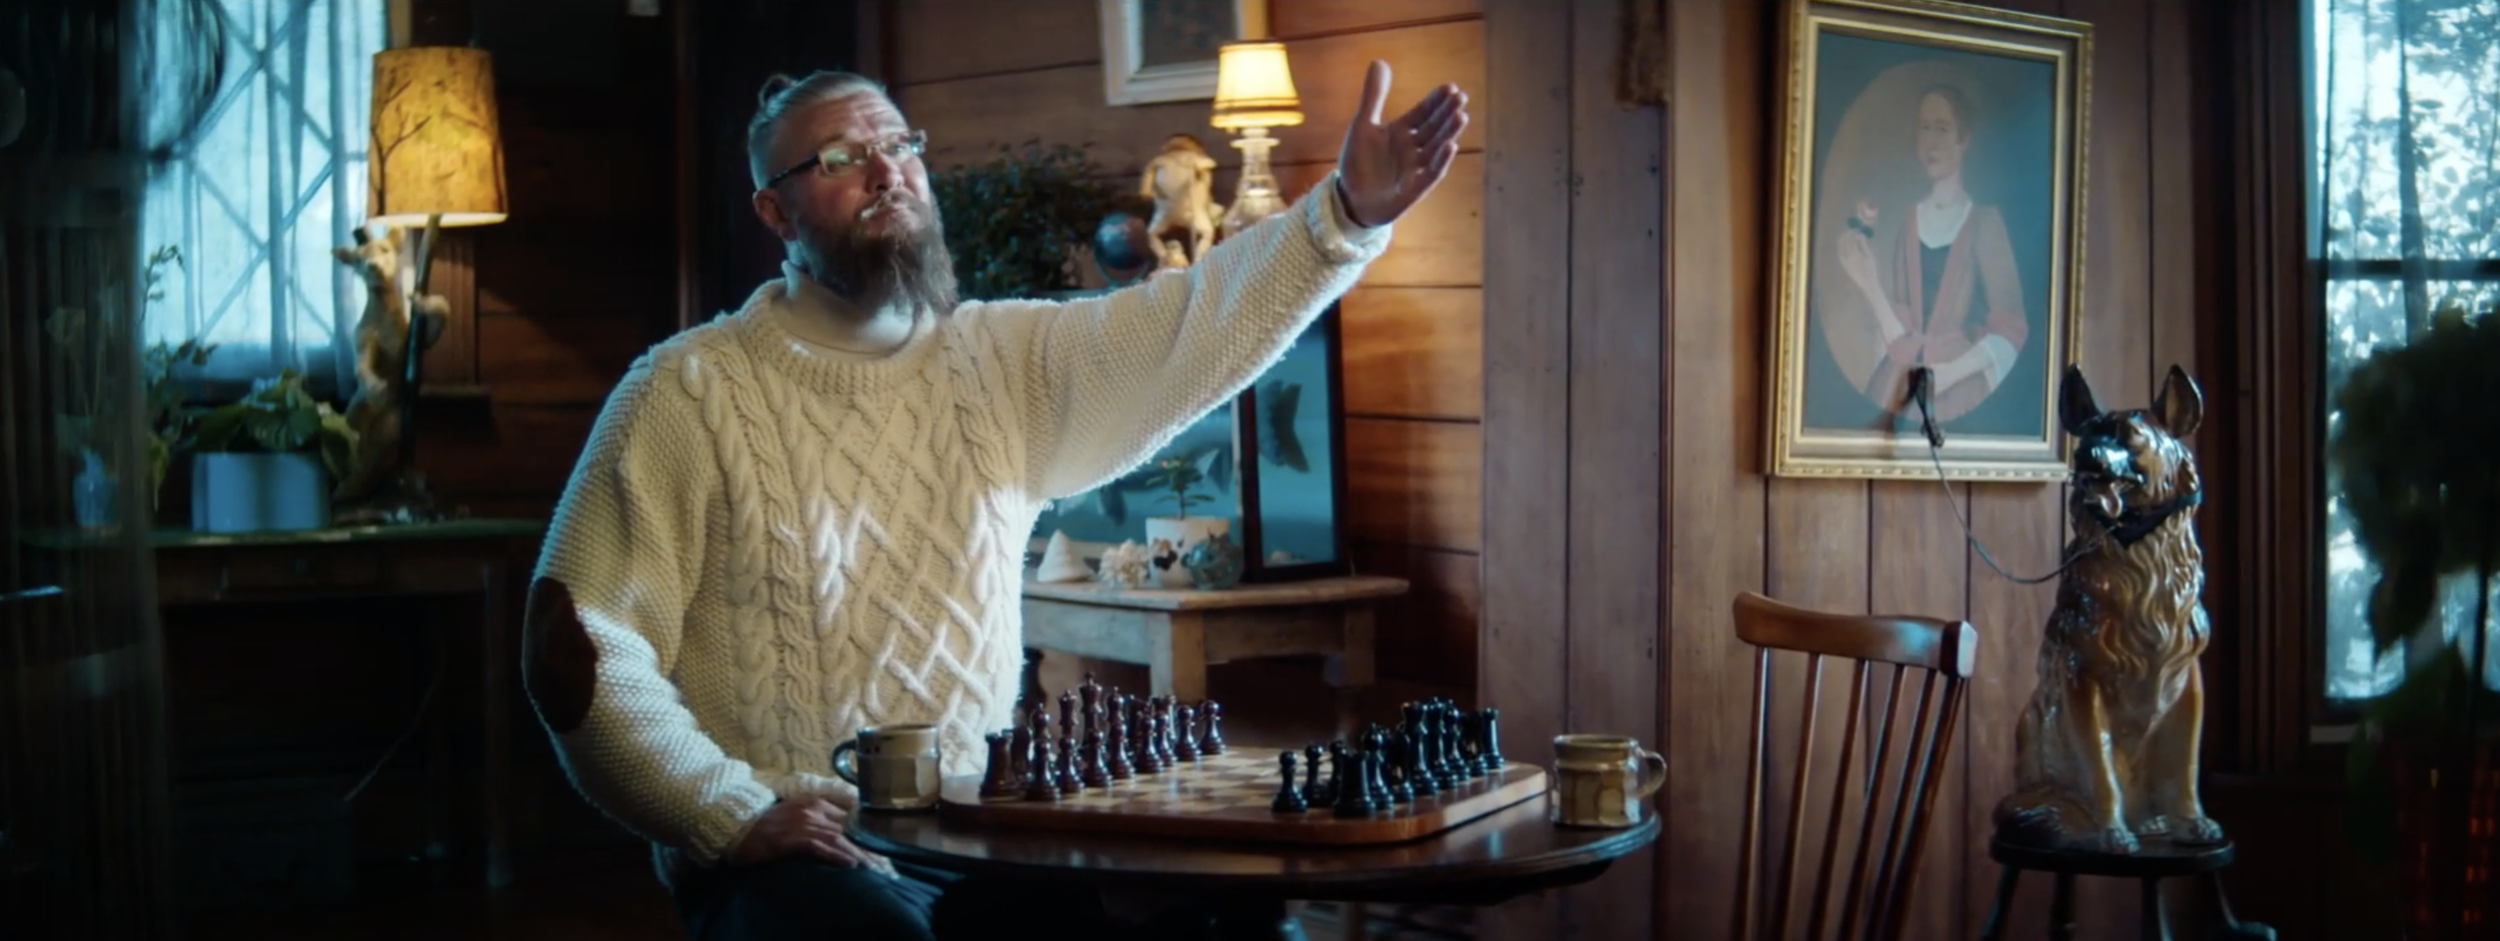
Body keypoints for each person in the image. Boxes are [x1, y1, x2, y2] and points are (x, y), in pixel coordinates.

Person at [519, 59, 1468, 941]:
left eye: (900, 145)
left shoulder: (999, 359)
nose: (887, 172)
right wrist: (725, 811)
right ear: (775, 209)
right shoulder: (685, 392)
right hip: (792, 852)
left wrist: (1341, 217)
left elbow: (1186, 323)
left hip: (981, 836)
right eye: (841, 158)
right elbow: (575, 645)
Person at [1832, 83, 2028, 422]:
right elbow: (1900, 339)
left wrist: (1947, 375)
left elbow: (2009, 331)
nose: (1931, 143)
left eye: (1942, 129)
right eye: (1924, 128)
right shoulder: (1909, 222)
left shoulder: (1985, 223)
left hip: (1961, 384)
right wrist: (1870, 285)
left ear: (1964, 141)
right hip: (1904, 380)